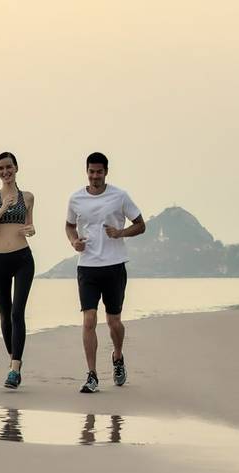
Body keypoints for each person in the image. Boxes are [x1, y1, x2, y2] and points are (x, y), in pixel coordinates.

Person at [65, 152, 145, 393]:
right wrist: (73, 242)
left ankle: (118, 357)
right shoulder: (76, 198)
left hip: (114, 265)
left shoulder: (119, 196)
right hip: (87, 266)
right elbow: (69, 225)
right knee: (89, 320)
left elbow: (141, 225)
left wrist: (120, 233)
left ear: (106, 172)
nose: (95, 176)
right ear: (86, 172)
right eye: (91, 171)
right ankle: (92, 375)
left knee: (114, 322)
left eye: (99, 172)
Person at [0, 152, 36, 389]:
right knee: (5, 315)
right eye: (1, 169)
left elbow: (29, 225)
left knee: (17, 313)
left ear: (16, 168)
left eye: (9, 167)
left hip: (23, 258)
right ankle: (13, 361)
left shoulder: (28, 197)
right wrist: (2, 208)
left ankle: (15, 368)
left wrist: (32, 230)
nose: (5, 172)